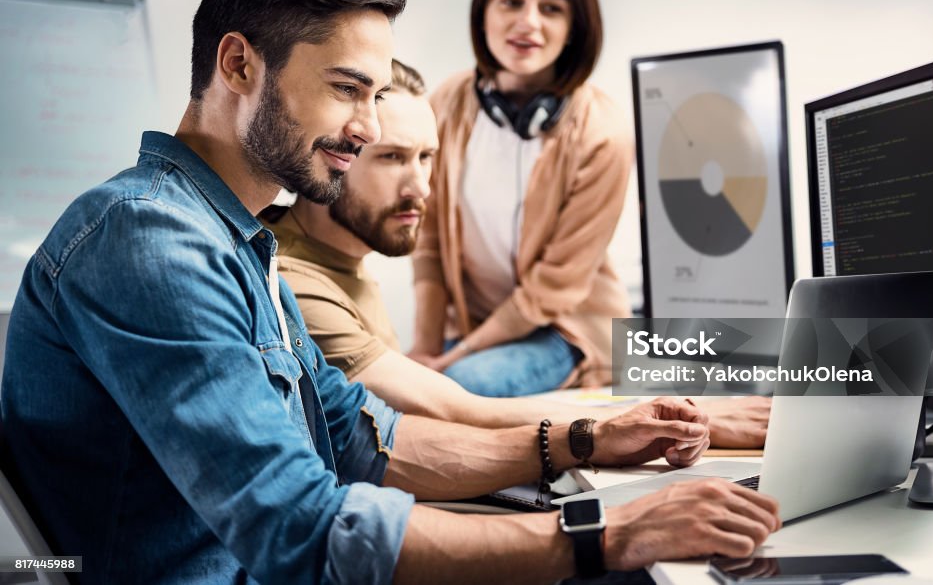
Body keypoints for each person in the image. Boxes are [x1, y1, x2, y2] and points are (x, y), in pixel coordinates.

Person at [0, 0, 779, 585]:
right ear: (238, 66)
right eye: (347, 90)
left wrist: (582, 441)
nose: (367, 128)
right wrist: (604, 531)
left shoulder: (234, 238)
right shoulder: (150, 242)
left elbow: (360, 439)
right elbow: (302, 527)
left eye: (376, 96)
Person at [267, 58, 771, 448]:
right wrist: (685, 421)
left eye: (427, 158)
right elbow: (453, 410)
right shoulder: (293, 280)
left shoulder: (345, 262)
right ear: (333, 154)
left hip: (576, 331)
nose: (422, 187)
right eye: (392, 158)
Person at [411, 0, 633, 397]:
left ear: (575, 26)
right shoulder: (447, 102)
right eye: (511, 1)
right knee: (396, 389)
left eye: (551, 8)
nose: (528, 23)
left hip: (565, 330)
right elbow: (426, 239)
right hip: (476, 325)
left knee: (456, 388)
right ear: (484, 9)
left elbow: (554, 288)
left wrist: (452, 360)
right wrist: (424, 351)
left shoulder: (604, 133)